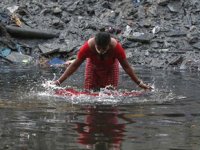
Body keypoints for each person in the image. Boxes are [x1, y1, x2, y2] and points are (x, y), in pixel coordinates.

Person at [53, 31, 151, 90]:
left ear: (109, 45)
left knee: (110, 92)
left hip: (111, 67)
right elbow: (74, 65)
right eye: (98, 48)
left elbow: (126, 67)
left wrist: (139, 83)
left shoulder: (116, 48)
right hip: (92, 66)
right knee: (89, 92)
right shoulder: (87, 47)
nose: (100, 51)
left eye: (104, 49)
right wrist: (58, 82)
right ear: (95, 44)